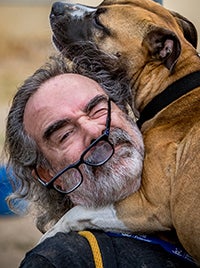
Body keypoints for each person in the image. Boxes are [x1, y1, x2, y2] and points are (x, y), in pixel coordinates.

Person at [4, 54, 196, 267]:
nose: (94, 131)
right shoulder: (61, 260)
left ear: (125, 111)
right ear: (48, 174)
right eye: (65, 135)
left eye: (98, 111)